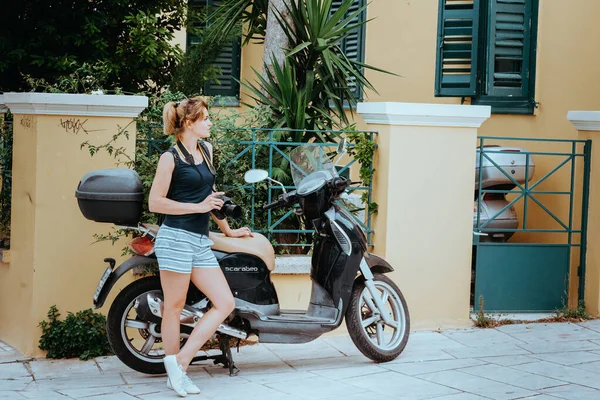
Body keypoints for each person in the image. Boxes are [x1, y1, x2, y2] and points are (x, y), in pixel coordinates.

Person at [148, 96, 253, 397]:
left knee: (225, 303)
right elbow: (156, 202)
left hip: (198, 241)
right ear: (189, 123)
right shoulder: (170, 158)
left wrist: (228, 229)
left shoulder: (206, 150)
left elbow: (210, 198)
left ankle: (180, 361)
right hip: (175, 239)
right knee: (175, 307)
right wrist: (197, 207)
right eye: (205, 118)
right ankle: (175, 371)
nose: (210, 123)